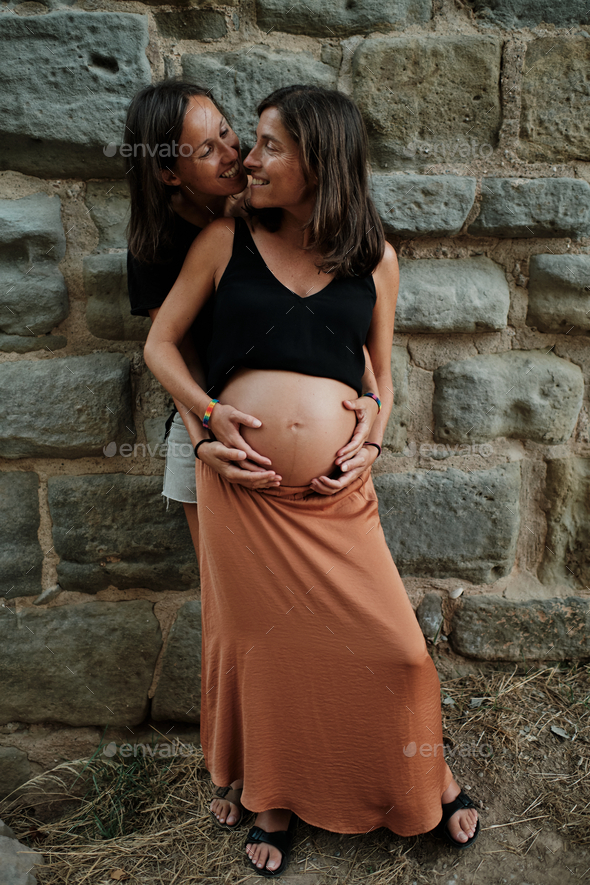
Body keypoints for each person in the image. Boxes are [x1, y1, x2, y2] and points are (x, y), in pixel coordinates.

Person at [143, 85, 480, 877]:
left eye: (267, 147)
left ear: (319, 163)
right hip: (243, 494)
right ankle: (273, 794)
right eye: (248, 143)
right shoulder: (225, 241)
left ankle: (428, 775)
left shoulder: (375, 259)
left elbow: (385, 380)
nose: (248, 161)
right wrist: (207, 423)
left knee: (399, 651)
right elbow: (161, 343)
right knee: (266, 647)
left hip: (335, 498)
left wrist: (373, 431)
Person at [125, 80, 381, 555]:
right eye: (206, 149)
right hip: (208, 419)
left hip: (304, 467)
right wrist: (205, 433)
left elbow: (327, 318)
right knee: (235, 608)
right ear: (170, 174)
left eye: (226, 132)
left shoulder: (269, 211)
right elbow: (175, 353)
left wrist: (373, 395)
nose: (234, 154)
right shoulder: (160, 247)